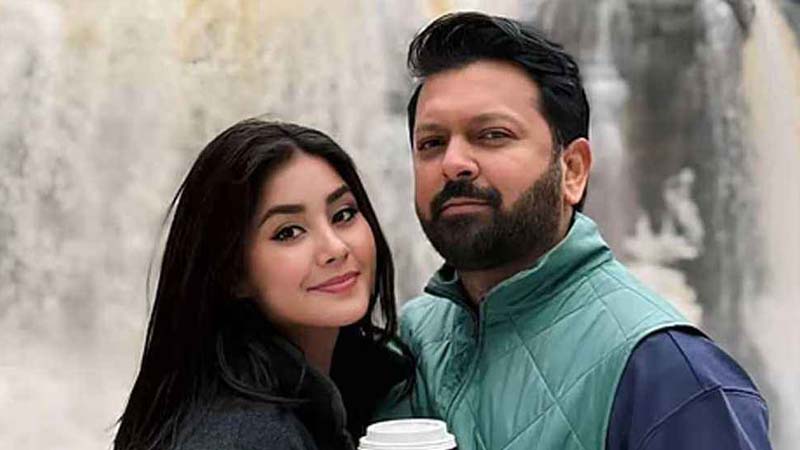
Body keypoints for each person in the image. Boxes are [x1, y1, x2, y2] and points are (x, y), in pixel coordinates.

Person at [377, 12, 772, 450]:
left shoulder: (673, 379)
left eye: (491, 135)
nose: (454, 163)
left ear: (573, 170)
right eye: (431, 143)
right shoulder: (411, 342)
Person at [114, 119, 412, 450]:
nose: (336, 249)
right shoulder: (249, 435)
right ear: (232, 274)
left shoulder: (359, 391)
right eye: (289, 232)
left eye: (343, 214)